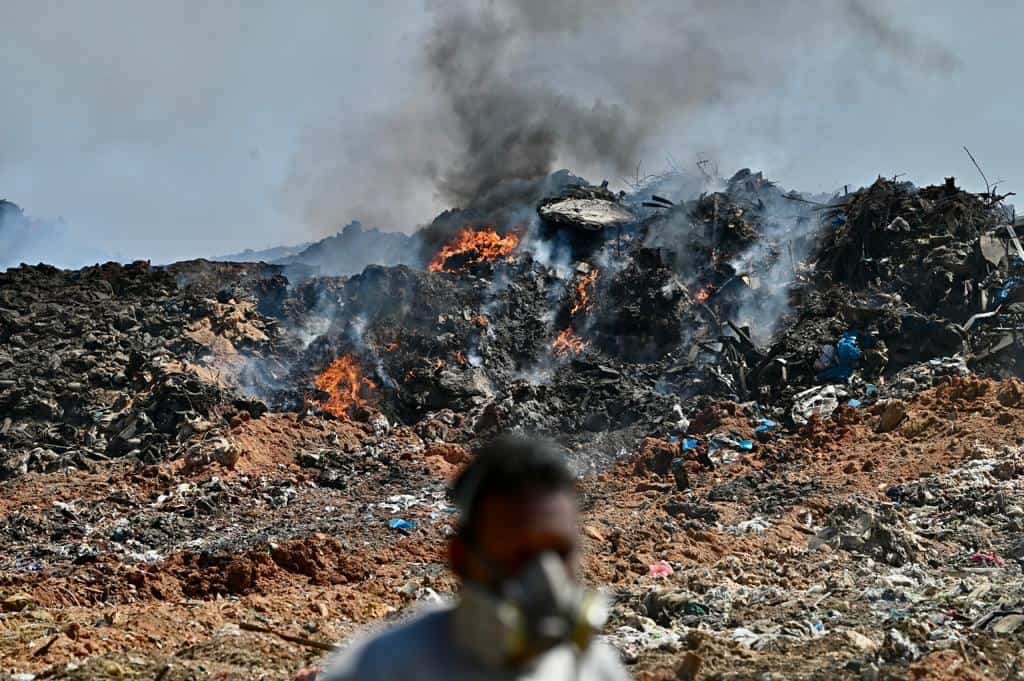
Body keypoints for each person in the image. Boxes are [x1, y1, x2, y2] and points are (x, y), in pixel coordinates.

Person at [295, 435, 630, 680]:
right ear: (461, 559)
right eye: (519, 555)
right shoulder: (385, 668)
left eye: (560, 551)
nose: (547, 576)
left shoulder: (595, 669)